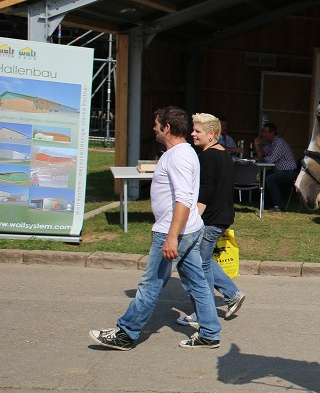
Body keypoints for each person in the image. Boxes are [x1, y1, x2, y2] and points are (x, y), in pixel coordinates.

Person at [90, 107, 220, 350]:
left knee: (151, 284)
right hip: (188, 229)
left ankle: (126, 333)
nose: (154, 129)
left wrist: (171, 237)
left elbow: (182, 199)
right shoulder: (181, 153)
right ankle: (210, 333)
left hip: (175, 231)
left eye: (156, 125)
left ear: (167, 128)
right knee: (198, 283)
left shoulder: (178, 156)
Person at [176, 113, 246, 329]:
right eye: (193, 130)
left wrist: (192, 218)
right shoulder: (223, 153)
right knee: (203, 261)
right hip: (221, 216)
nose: (192, 134)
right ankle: (232, 294)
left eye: (197, 131)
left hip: (210, 219)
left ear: (212, 134)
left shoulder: (207, 156)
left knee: (197, 264)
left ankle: (202, 313)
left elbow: (206, 190)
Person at [253, 121, 298, 212]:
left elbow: (270, 160)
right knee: (263, 175)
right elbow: (261, 155)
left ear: (272, 133)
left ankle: (279, 206)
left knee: (270, 178)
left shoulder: (279, 143)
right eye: (263, 132)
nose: (263, 135)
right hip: (278, 171)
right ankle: (267, 202)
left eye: (265, 132)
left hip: (289, 171)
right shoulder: (269, 144)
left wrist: (264, 157)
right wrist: (257, 145)